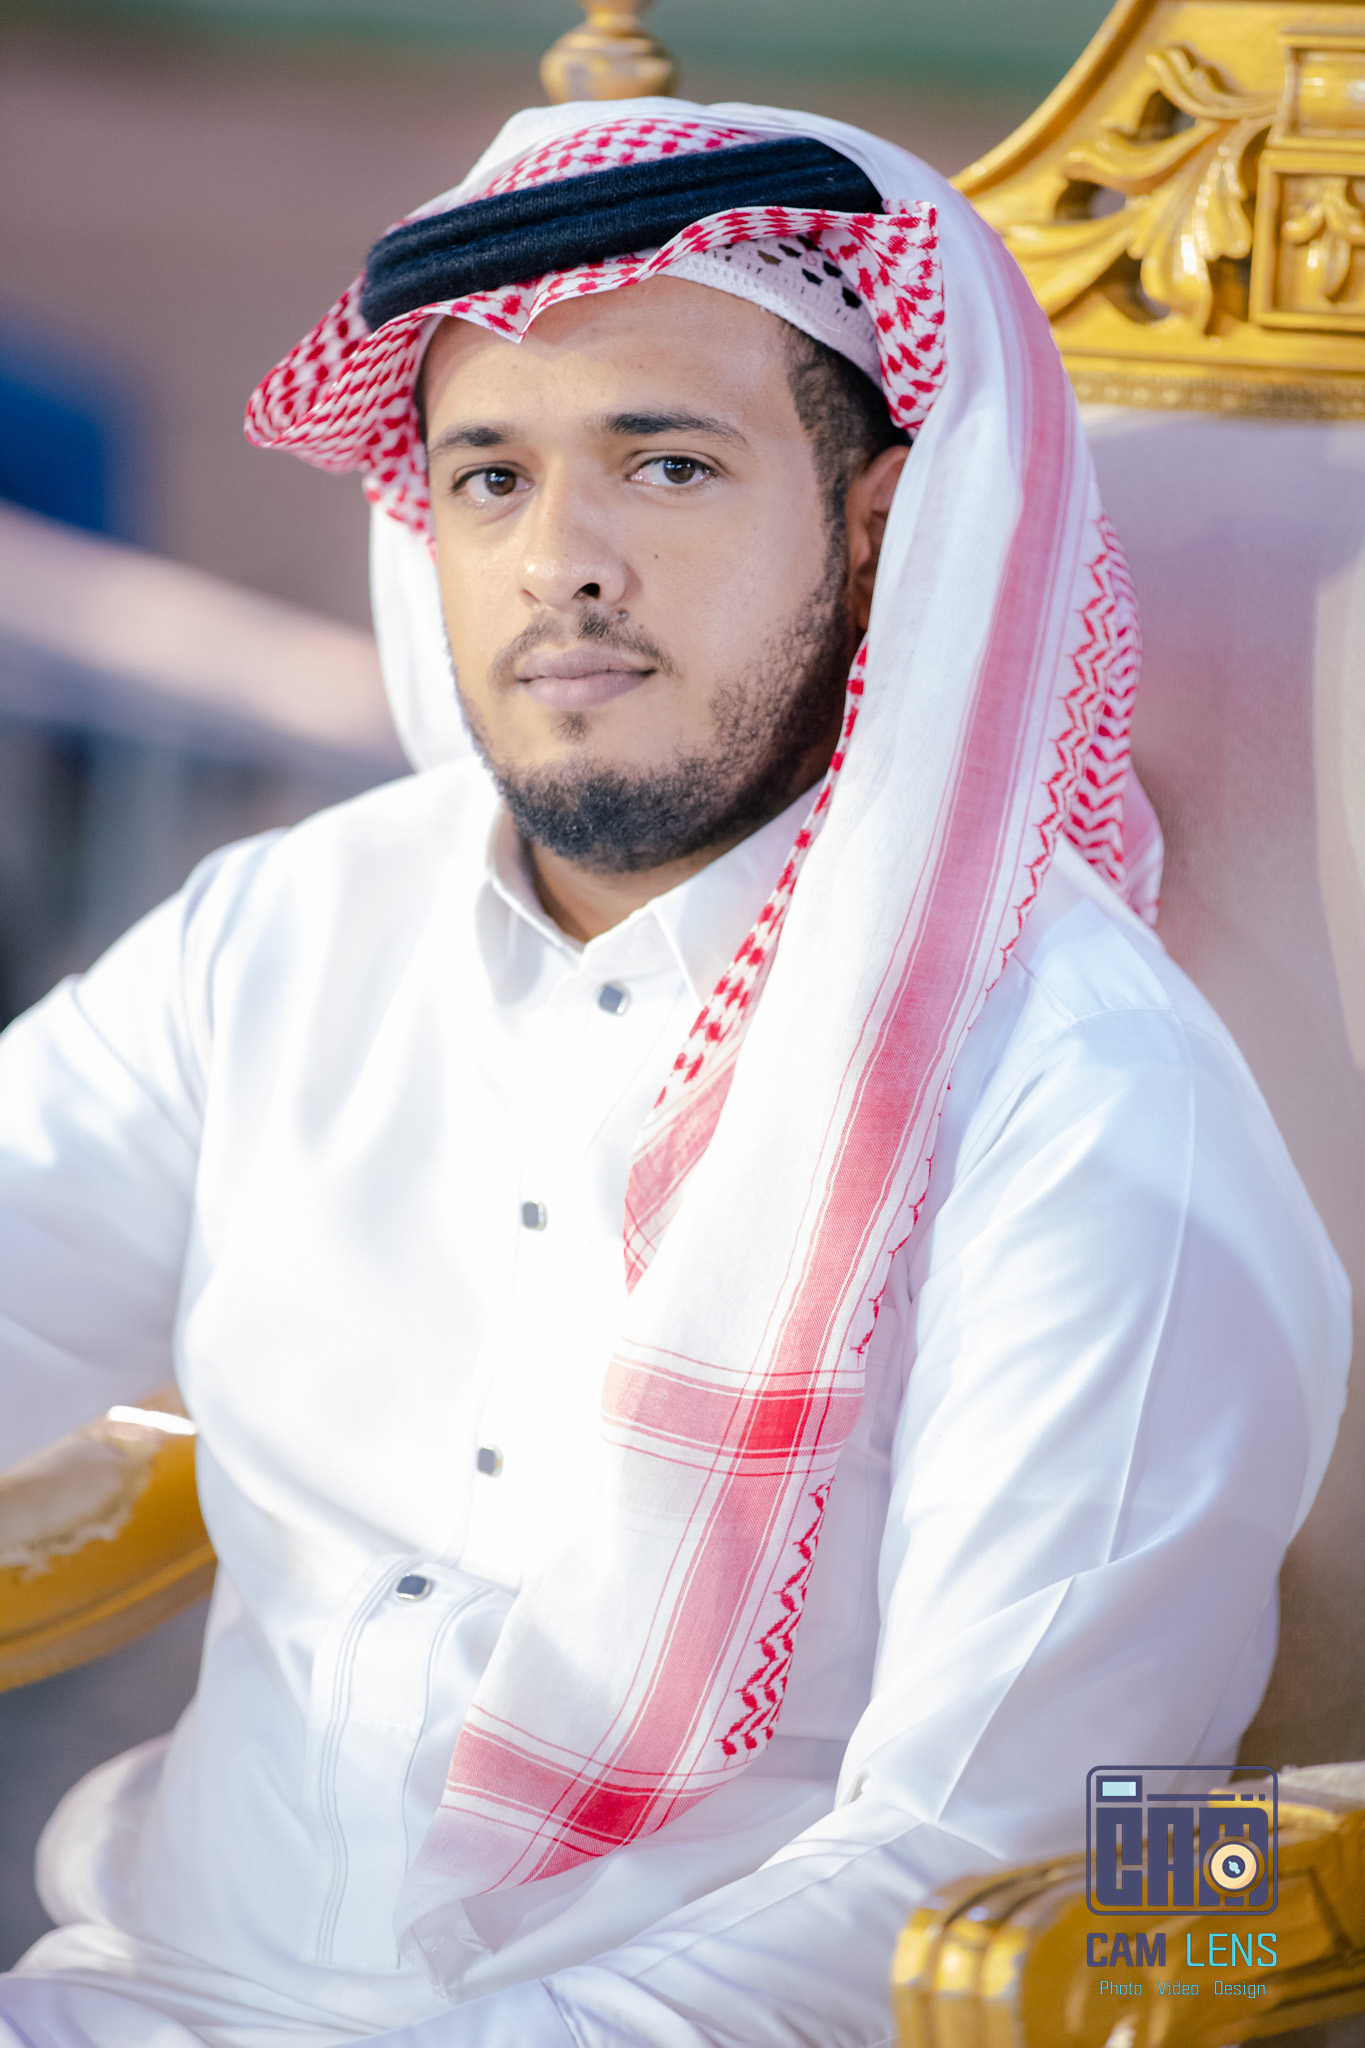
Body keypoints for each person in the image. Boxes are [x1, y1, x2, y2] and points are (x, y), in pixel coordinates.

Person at [0, 97, 1349, 2048]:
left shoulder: (1072, 1092)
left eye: (666, 466)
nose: (560, 560)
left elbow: (1011, 1863)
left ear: (875, 534)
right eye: (488, 478)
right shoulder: (282, 931)